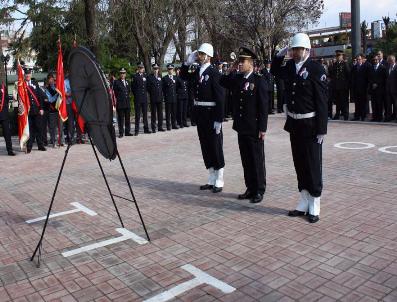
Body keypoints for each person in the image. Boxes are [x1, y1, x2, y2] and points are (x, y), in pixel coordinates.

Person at [272, 33, 328, 223]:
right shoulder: (288, 67)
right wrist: (279, 55)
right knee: (300, 163)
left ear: (307, 50)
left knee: (312, 164)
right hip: (295, 123)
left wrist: (322, 129)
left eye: (299, 49)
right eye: (293, 49)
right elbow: (274, 71)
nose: (295, 52)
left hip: (311, 125)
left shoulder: (315, 68)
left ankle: (315, 203)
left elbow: (321, 101)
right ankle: (304, 201)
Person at [220, 47, 269, 203]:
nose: (240, 64)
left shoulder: (259, 80)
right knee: (246, 159)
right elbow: (222, 81)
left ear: (251, 63)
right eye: (239, 61)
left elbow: (263, 107)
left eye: (243, 62)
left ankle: (259, 190)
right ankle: (250, 187)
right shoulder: (238, 79)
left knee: (257, 160)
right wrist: (232, 68)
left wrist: (263, 128)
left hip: (254, 127)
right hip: (241, 127)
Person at [180, 43, 225, 193]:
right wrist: (187, 63)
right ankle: (211, 177)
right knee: (205, 145)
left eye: (201, 54)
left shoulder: (214, 73)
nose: (198, 56)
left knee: (215, 146)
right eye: (198, 54)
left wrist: (219, 119)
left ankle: (219, 178)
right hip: (201, 114)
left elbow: (220, 97)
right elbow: (183, 76)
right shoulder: (198, 70)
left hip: (212, 114)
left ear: (208, 56)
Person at [25, 68, 47, 153]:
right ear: (24, 75)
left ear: (31, 75)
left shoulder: (35, 83)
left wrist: (41, 108)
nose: (27, 75)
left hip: (37, 110)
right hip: (28, 111)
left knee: (39, 128)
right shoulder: (22, 85)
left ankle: (40, 145)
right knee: (30, 130)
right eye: (26, 74)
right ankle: (29, 147)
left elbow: (39, 96)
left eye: (29, 74)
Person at [328, 50, 351, 120]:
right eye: (337, 56)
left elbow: (348, 75)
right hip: (336, 87)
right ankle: (337, 114)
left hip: (343, 87)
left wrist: (347, 86)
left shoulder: (345, 64)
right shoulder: (334, 64)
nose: (337, 57)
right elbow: (332, 75)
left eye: (339, 55)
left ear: (342, 56)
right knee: (337, 102)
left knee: (344, 102)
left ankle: (346, 115)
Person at [131, 62, 150, 135]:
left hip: (144, 98)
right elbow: (133, 88)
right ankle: (136, 130)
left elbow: (147, 87)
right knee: (137, 115)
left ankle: (146, 129)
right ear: (138, 68)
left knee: (145, 114)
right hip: (138, 98)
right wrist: (136, 95)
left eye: (142, 68)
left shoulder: (146, 76)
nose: (141, 69)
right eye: (140, 68)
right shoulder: (135, 76)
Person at [113, 68, 133, 137]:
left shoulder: (127, 81)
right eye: (121, 73)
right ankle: (121, 132)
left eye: (124, 73)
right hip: (120, 103)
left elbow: (129, 91)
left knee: (127, 119)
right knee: (121, 119)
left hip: (127, 103)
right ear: (120, 74)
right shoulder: (116, 82)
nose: (122, 74)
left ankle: (127, 132)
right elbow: (115, 92)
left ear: (125, 74)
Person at [44, 73, 62, 147]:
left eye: (53, 78)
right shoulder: (47, 89)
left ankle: (61, 141)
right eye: (50, 79)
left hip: (60, 110)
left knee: (60, 126)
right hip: (52, 110)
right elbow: (50, 100)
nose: (52, 80)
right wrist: (57, 94)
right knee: (52, 127)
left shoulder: (58, 86)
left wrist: (60, 93)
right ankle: (53, 141)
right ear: (48, 80)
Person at [351, 54, 370, 121]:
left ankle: (363, 116)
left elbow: (368, 78)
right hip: (356, 88)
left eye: (359, 59)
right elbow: (352, 78)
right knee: (357, 103)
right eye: (357, 59)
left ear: (362, 59)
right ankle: (357, 116)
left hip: (363, 88)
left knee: (363, 103)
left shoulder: (365, 67)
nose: (358, 60)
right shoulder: (354, 67)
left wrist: (367, 87)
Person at [368, 55, 387, 122]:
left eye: (376, 60)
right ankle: (374, 117)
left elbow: (384, 78)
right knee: (373, 104)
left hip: (380, 89)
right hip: (373, 89)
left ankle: (380, 117)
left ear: (379, 60)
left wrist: (377, 84)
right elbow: (369, 77)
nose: (375, 61)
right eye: (374, 60)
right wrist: (372, 83)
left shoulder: (383, 68)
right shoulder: (371, 68)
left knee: (379, 104)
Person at [147, 63, 165, 132]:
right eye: (154, 69)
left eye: (156, 69)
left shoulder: (160, 76)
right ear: (152, 69)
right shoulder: (150, 77)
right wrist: (152, 93)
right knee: (153, 113)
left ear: (158, 69)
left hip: (160, 98)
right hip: (153, 98)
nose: (155, 70)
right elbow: (148, 88)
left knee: (160, 113)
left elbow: (162, 87)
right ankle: (153, 127)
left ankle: (160, 127)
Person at [0, 81, 15, 155]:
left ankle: (10, 150)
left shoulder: (3, 87)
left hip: (4, 114)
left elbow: (6, 98)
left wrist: (13, 97)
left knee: (7, 133)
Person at [162, 64, 179, 130]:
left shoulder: (175, 77)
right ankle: (168, 125)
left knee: (174, 112)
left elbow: (177, 87)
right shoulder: (165, 78)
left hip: (174, 97)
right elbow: (163, 88)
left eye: (171, 69)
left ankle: (174, 124)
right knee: (168, 112)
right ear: (167, 70)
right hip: (168, 98)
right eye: (169, 69)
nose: (170, 70)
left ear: (173, 70)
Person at [385, 55, 397, 122]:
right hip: (388, 90)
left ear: (394, 60)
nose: (390, 62)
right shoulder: (387, 67)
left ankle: (395, 118)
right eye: (389, 61)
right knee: (388, 105)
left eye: (391, 60)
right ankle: (388, 117)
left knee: (396, 105)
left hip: (395, 90)